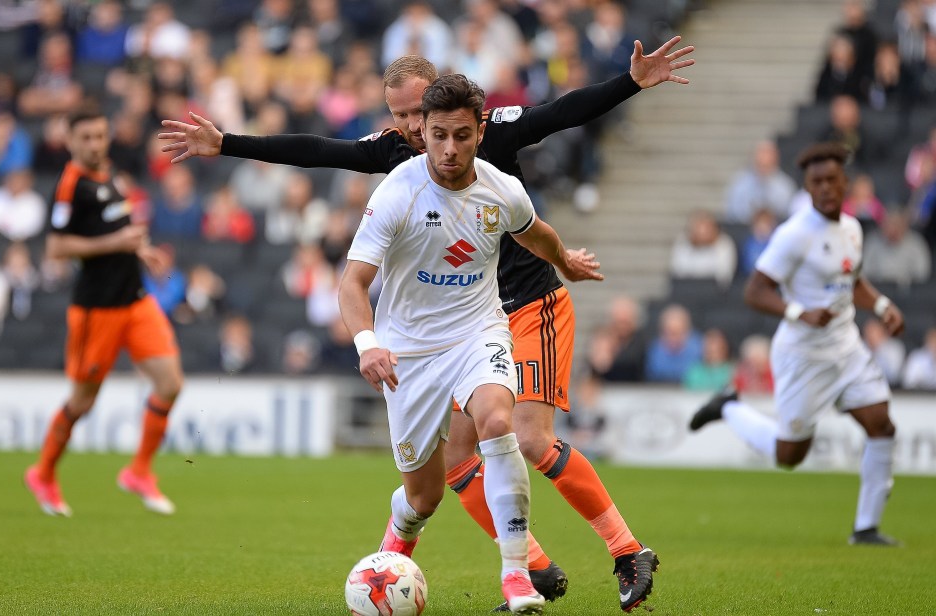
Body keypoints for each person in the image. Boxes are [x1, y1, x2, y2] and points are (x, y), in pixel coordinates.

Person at [159, 37, 694, 611]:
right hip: (435, 331)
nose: (416, 127)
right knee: (454, 467)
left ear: (453, 109)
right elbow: (316, 148)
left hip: (524, 306)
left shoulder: (487, 135)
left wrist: (631, 82)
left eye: (422, 112)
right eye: (403, 116)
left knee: (524, 435)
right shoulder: (397, 161)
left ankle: (623, 550)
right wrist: (230, 144)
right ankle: (533, 567)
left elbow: (562, 113)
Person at [337, 74, 602, 615]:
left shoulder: (500, 189)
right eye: (438, 136)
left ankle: (516, 579)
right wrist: (367, 343)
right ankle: (399, 537)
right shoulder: (397, 193)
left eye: (461, 135)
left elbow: (536, 232)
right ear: (423, 132)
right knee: (423, 497)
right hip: (407, 352)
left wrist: (565, 262)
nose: (449, 149)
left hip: (477, 333)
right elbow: (352, 283)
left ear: (480, 131)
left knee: (499, 423)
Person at [689, 142, 905, 546]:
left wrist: (880, 303)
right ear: (806, 187)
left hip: (846, 347)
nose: (823, 189)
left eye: (830, 180)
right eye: (815, 182)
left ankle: (866, 528)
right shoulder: (795, 233)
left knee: (881, 423)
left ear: (846, 183)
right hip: (803, 355)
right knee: (790, 456)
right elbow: (755, 291)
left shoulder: (853, 228)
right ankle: (730, 407)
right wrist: (798, 312)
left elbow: (850, 279)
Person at [23, 104, 184, 517]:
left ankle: (139, 471)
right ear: (70, 141)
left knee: (169, 382)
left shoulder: (110, 172)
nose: (95, 144)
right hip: (97, 310)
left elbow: (119, 226)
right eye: (87, 138)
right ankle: (42, 473)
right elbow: (57, 248)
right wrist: (118, 244)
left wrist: (143, 250)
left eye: (100, 135)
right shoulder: (70, 185)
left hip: (134, 300)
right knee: (82, 401)